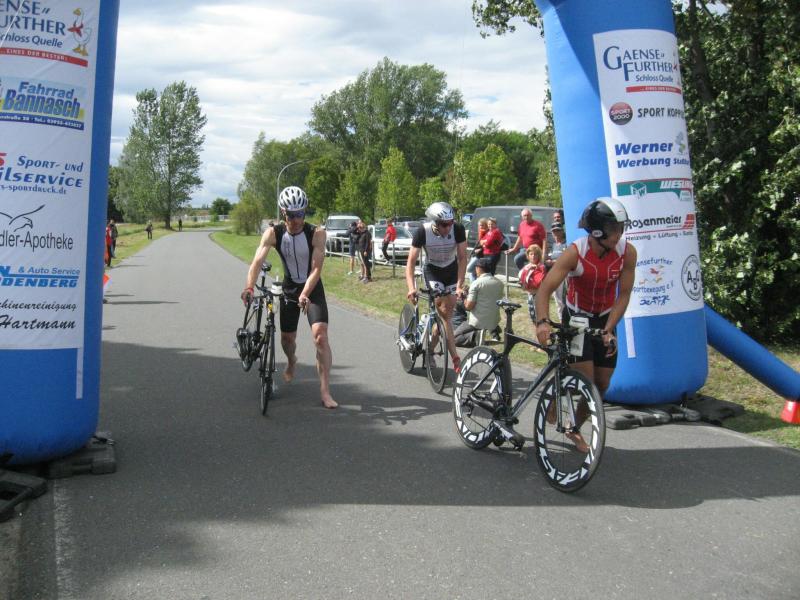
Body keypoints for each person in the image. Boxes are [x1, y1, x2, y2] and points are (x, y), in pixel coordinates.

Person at [535, 197, 636, 451]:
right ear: (597, 230)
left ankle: (573, 426)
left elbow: (624, 294)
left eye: (621, 228)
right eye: (614, 229)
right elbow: (545, 289)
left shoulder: (627, 253)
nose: (619, 234)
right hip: (577, 318)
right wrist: (542, 322)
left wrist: (609, 328)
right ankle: (560, 400)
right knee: (585, 379)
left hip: (604, 318)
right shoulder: (575, 252)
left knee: (602, 383)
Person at [241, 186, 337, 409]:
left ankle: (325, 391)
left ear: (305, 211)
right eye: (291, 215)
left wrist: (305, 293)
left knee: (321, 337)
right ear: (283, 212)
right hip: (289, 289)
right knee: (287, 340)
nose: (296, 220)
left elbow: (316, 269)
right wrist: (249, 287)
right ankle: (292, 360)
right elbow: (256, 262)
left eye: (300, 214)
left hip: (312, 289)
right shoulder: (273, 233)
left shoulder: (317, 233)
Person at [406, 201, 468, 373]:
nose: (448, 228)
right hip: (432, 270)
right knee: (444, 311)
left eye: (450, 223)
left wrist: (460, 285)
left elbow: (463, 258)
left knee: (445, 317)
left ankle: (430, 350)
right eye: (443, 224)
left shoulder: (458, 229)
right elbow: (411, 262)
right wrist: (411, 287)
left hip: (451, 270)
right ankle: (455, 358)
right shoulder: (422, 232)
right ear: (434, 222)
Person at [453, 258, 504, 347]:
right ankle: (493, 332)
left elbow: (469, 306)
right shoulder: (500, 283)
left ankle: (474, 336)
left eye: (476, 267)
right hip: (494, 320)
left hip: (477, 321)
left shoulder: (476, 283)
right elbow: (486, 299)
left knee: (453, 338)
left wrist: (463, 297)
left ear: (479, 268)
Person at [518, 244, 547, 324]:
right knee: (532, 316)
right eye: (531, 254)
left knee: (540, 317)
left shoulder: (542, 267)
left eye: (535, 254)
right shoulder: (526, 267)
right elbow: (522, 281)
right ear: (528, 255)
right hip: (530, 294)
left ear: (539, 255)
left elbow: (539, 282)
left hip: (538, 295)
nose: (533, 256)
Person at [545, 223, 568, 314]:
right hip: (554, 274)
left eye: (558, 230)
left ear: (562, 231)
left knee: (563, 299)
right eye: (554, 231)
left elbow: (567, 259)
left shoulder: (566, 244)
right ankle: (561, 318)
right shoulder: (554, 245)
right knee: (557, 299)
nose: (556, 233)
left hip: (563, 275)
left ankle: (565, 318)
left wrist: (554, 262)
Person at [466, 218, 489, 283]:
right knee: (472, 273)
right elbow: (478, 244)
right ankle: (474, 286)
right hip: (475, 254)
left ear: (486, 225)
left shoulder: (488, 233)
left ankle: (475, 285)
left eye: (482, 225)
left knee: (469, 269)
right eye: (479, 225)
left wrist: (481, 249)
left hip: (480, 256)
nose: (480, 227)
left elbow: (487, 245)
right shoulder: (480, 232)